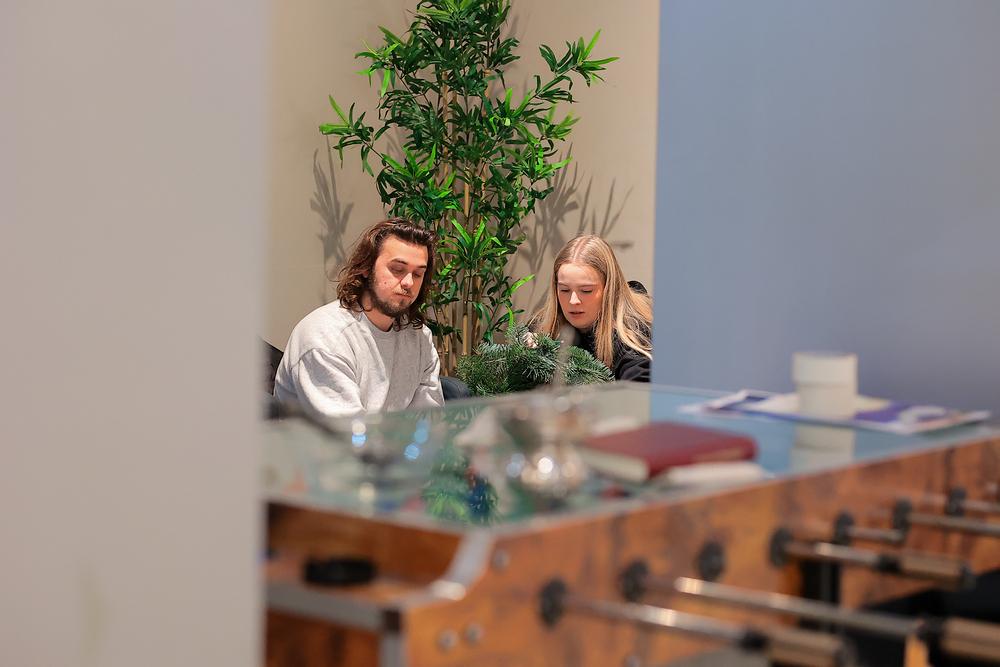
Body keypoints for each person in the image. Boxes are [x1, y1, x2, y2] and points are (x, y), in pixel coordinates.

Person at [274, 218, 444, 419]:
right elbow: (349, 432)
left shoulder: (420, 338)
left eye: (417, 274)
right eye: (397, 269)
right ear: (366, 268)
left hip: (389, 440)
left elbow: (429, 422)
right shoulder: (325, 338)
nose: (408, 282)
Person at [531, 235, 653, 382]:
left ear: (609, 289)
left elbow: (639, 388)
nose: (573, 301)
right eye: (564, 290)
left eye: (586, 290)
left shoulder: (632, 333)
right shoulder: (545, 323)